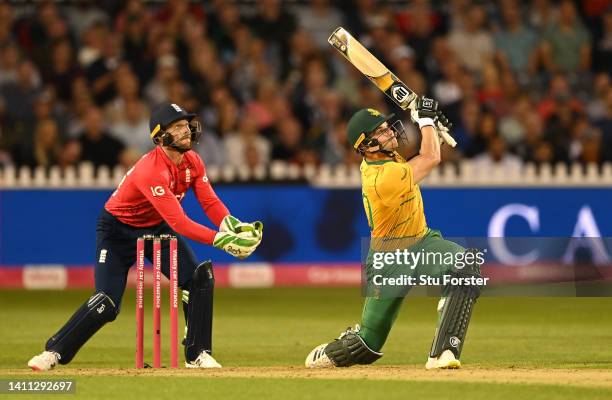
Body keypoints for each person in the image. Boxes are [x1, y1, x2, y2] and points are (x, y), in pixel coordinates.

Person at [28, 103, 263, 371]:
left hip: (156, 228)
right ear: (161, 136)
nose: (186, 131)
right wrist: (222, 241)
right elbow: (179, 222)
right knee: (107, 302)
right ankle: (53, 352)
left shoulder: (193, 161)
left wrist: (232, 226)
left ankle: (198, 354)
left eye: (186, 125)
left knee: (199, 278)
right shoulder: (151, 170)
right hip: (117, 231)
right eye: (177, 127)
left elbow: (210, 202)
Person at [305, 98, 482, 370]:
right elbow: (431, 157)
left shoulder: (387, 157)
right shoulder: (380, 178)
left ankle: (443, 352)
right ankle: (333, 351)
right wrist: (425, 122)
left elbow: (427, 152)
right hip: (388, 260)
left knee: (466, 266)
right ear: (366, 145)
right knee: (366, 345)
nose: (390, 132)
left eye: (387, 126)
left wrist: (432, 128)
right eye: (381, 131)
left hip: (423, 243)